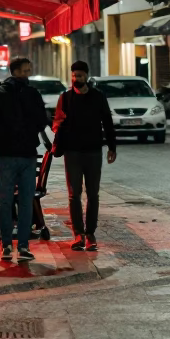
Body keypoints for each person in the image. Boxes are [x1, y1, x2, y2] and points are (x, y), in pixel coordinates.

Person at [0, 55, 50, 263]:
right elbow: (42, 120)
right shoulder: (30, 94)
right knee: (24, 202)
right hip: (25, 154)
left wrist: (3, 137)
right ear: (16, 71)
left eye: (28, 70)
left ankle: (6, 246)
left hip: (7, 154)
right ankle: (22, 246)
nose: (28, 74)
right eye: (25, 71)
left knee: (5, 201)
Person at [52, 60, 116, 251]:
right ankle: (78, 234)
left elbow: (108, 122)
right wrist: (58, 131)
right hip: (72, 152)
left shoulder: (98, 97)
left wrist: (112, 147)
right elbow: (57, 122)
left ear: (86, 76)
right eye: (73, 75)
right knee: (74, 195)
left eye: (79, 75)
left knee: (93, 194)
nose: (76, 79)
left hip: (93, 151)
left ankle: (91, 233)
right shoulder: (65, 98)